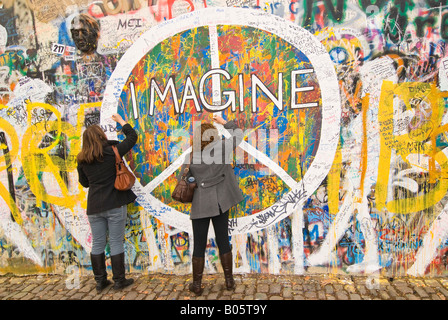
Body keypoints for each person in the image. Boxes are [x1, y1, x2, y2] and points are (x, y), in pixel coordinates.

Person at [180, 115, 244, 296]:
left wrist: (197, 180)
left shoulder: (191, 156)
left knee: (199, 244)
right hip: (221, 203)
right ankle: (229, 282)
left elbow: (185, 181)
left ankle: (197, 285)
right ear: (214, 135)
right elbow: (238, 135)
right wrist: (224, 123)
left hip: (201, 204)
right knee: (223, 240)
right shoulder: (223, 148)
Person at [77, 113, 137, 293]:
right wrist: (121, 121)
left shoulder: (82, 159)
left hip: (94, 207)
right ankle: (119, 281)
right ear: (102, 136)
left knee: (97, 243)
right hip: (115, 204)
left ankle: (100, 281)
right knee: (116, 242)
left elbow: (85, 183)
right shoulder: (113, 151)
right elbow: (132, 137)